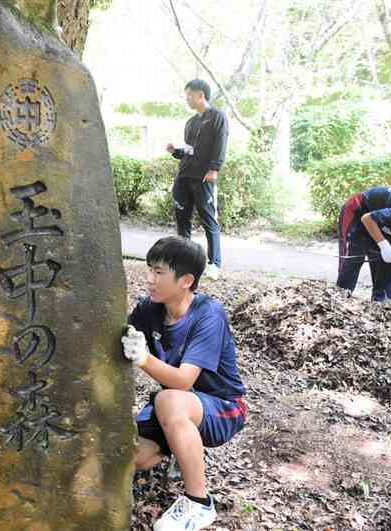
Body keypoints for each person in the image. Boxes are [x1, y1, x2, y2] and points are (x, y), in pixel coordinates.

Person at [121, 236, 247, 531]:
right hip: (178, 408)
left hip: (223, 407)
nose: (149, 279)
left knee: (169, 400)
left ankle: (199, 503)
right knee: (129, 457)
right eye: (149, 268)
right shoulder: (148, 309)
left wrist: (143, 359)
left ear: (186, 280)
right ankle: (180, 449)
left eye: (159, 272)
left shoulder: (208, 314)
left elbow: (183, 380)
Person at [166, 80, 228, 281]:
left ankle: (214, 264)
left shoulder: (218, 117)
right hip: (184, 176)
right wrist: (176, 151)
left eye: (189, 95)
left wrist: (214, 169)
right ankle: (184, 262)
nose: (187, 99)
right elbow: (189, 150)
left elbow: (220, 145)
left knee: (208, 219)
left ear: (200, 95)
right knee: (182, 219)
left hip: (203, 178)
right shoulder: (191, 123)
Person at [337, 186, 391, 302]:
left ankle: (381, 304)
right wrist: (384, 245)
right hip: (359, 211)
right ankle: (340, 298)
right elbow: (368, 219)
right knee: (353, 257)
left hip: (381, 223)